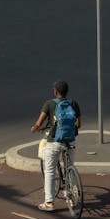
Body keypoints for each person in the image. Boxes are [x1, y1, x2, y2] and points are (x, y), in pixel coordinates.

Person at [30, 80, 81, 212]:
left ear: (55, 91)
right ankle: (72, 195)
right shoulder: (73, 103)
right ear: (67, 92)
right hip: (70, 141)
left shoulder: (49, 104)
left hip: (54, 141)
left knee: (49, 171)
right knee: (70, 167)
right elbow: (79, 124)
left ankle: (49, 203)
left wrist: (35, 128)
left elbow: (39, 123)